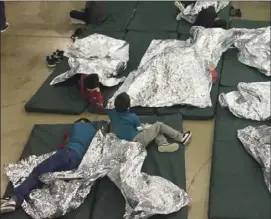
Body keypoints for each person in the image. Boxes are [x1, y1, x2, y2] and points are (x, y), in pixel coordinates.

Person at [1, 118, 97, 214]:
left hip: (66, 154)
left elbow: (64, 143)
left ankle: (15, 198)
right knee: (47, 177)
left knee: (37, 172)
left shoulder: (77, 126)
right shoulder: (94, 133)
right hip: (77, 162)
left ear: (81, 122)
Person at [108, 93, 192, 153]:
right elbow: (139, 127)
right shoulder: (132, 117)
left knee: (153, 129)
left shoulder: (111, 113)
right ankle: (181, 137)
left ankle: (163, 143)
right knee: (158, 125)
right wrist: (146, 127)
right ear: (128, 106)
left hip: (123, 142)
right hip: (136, 142)